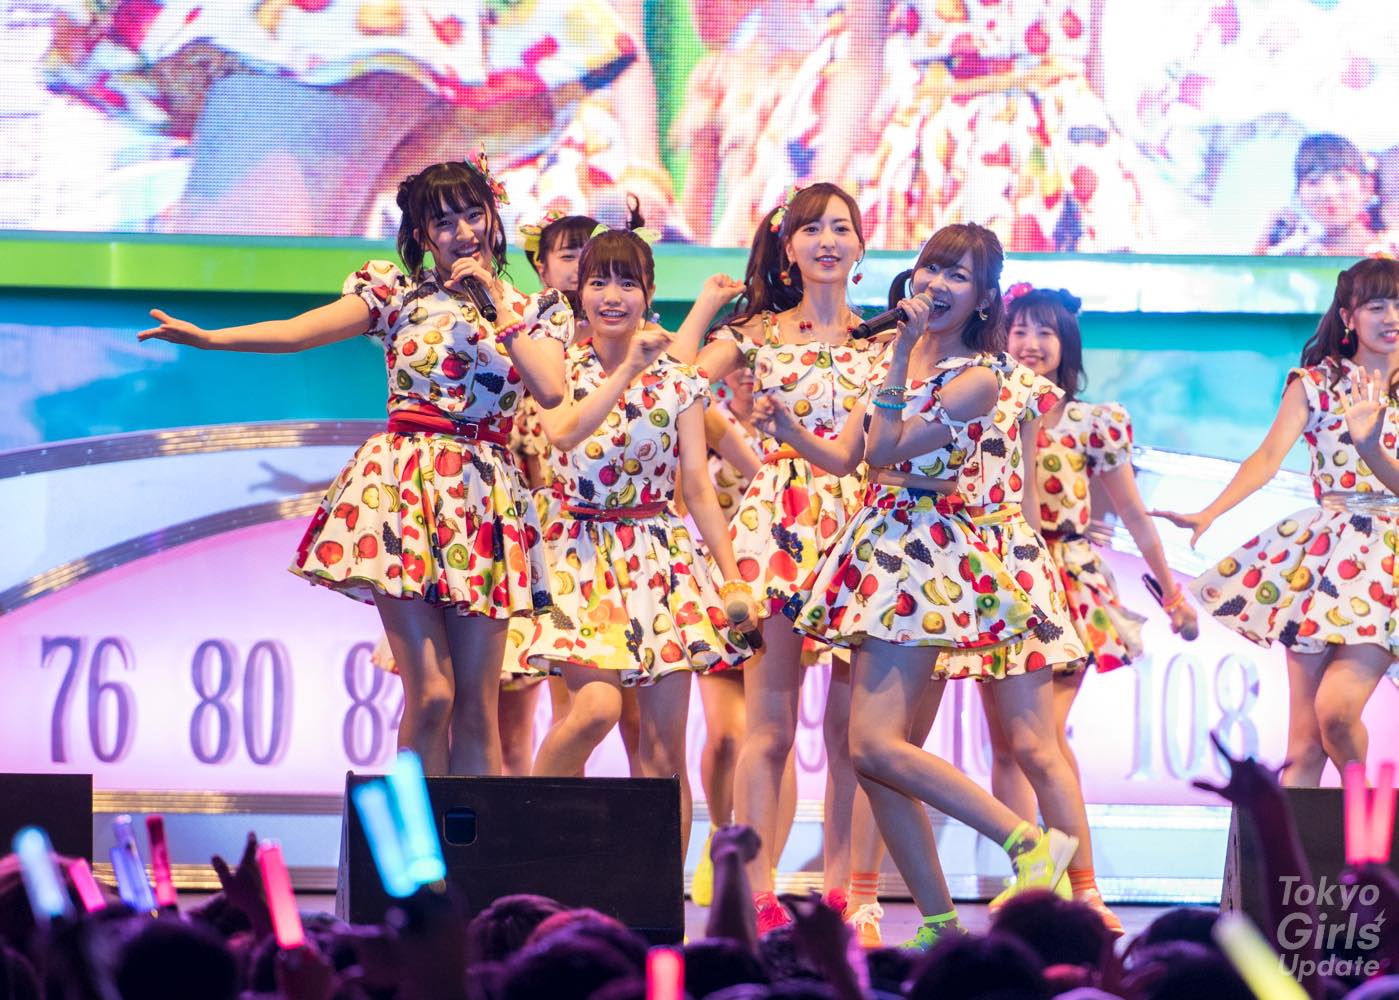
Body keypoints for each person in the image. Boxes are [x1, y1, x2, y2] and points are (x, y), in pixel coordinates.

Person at [139, 157, 570, 775]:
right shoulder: (395, 294)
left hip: (485, 497)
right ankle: (416, 839)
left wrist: (497, 306)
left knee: (479, 709)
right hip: (408, 489)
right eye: (443, 222)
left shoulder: (538, 310)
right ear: (422, 236)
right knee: (433, 695)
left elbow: (551, 389)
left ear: (492, 217)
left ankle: (472, 841)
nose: (463, 232)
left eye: (472, 215)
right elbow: (297, 332)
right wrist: (211, 339)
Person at [788, 222, 1086, 948]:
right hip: (878, 541)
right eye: (931, 269)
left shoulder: (977, 378)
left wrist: (895, 355)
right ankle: (940, 921)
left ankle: (1027, 842)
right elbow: (845, 458)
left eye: (958, 276)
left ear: (982, 299)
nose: (937, 285)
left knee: (875, 745)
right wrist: (781, 427)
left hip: (922, 555)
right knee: (870, 754)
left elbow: (887, 448)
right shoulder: (893, 365)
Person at [674, 182, 888, 934]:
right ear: (788, 247)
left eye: (841, 228)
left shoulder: (885, 340)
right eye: (812, 229)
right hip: (781, 527)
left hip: (867, 528)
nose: (828, 241)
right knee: (768, 729)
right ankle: (756, 896)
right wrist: (706, 309)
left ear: (860, 246)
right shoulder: (756, 332)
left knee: (854, 737)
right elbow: (674, 380)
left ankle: (847, 896)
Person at [527, 227, 759, 856]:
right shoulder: (557, 368)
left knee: (662, 753)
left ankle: (661, 900)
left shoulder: (680, 381)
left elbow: (698, 486)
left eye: (627, 283)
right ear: (579, 291)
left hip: (659, 558)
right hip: (578, 553)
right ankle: (531, 852)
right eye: (599, 281)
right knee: (595, 710)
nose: (612, 296)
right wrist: (629, 366)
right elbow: (564, 434)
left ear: (649, 293)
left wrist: (730, 574)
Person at [992, 283, 1198, 931]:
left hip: (1066, 581)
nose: (1030, 344)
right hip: (995, 581)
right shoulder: (984, 409)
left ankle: (1083, 890)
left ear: (1066, 345)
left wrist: (1172, 593)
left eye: (1044, 333)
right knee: (1007, 747)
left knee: (1041, 739)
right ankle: (1029, 883)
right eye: (1019, 330)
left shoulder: (1092, 421)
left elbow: (1132, 512)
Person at [1155, 256, 1399, 783]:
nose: (1391, 317)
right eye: (1377, 305)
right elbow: (1266, 458)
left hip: (1389, 562)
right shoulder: (1316, 383)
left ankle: (1369, 818)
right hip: (1323, 558)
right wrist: (1210, 511)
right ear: (1348, 316)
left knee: (1337, 712)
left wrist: (1371, 449)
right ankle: (1300, 842)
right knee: (1304, 747)